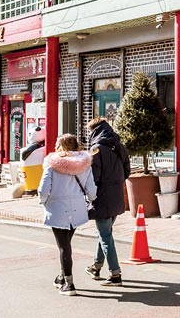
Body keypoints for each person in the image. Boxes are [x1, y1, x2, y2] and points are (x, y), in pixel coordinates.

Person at [39, 133, 97, 296]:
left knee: (64, 246)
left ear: (60, 146)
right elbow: (91, 189)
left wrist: (43, 201)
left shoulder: (51, 164)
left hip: (57, 208)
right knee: (66, 245)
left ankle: (69, 284)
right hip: (77, 208)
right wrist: (91, 199)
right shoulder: (85, 164)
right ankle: (62, 277)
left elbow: (43, 189)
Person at [84, 117, 130, 286]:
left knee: (105, 235)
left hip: (102, 196)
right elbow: (127, 170)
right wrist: (116, 183)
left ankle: (115, 274)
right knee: (106, 233)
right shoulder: (119, 145)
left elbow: (94, 177)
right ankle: (96, 266)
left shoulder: (97, 149)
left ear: (94, 131)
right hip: (116, 195)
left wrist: (89, 195)